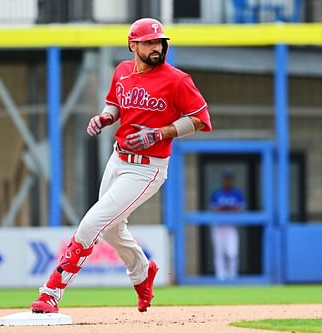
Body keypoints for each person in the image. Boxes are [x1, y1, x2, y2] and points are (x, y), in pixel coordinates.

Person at [30, 18, 212, 313]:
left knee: (92, 223)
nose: (157, 47)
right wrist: (104, 117)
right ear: (133, 45)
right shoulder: (123, 71)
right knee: (113, 229)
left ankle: (51, 292)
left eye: (160, 42)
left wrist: (161, 132)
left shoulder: (177, 79)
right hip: (118, 158)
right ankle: (142, 272)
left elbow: (201, 120)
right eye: (150, 42)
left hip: (148, 167)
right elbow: (115, 104)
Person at [209, 170, 245, 280]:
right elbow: (215, 208)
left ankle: (232, 276)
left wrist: (225, 208)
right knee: (219, 252)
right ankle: (221, 277)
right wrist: (229, 208)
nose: (227, 181)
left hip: (231, 226)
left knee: (232, 252)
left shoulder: (237, 193)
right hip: (218, 226)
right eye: (226, 179)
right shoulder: (217, 193)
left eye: (229, 179)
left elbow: (240, 208)